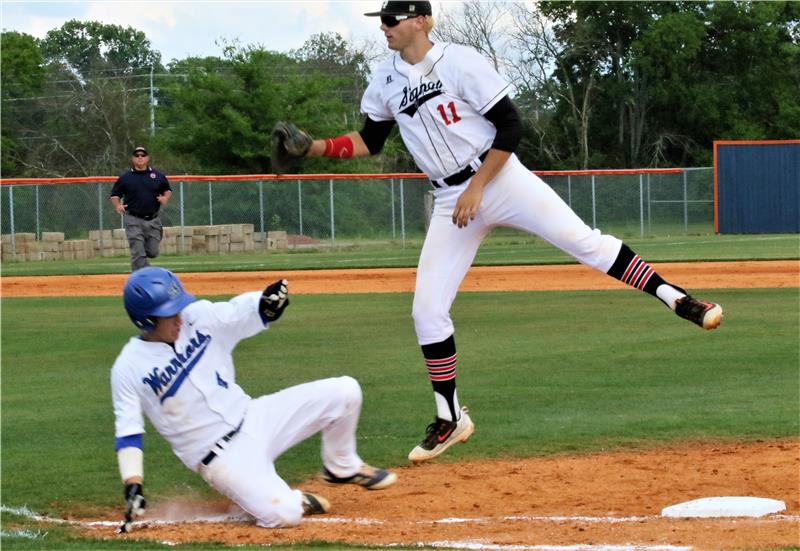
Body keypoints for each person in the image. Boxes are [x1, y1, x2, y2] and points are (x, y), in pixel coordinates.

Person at [274, 0, 723, 464]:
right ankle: (450, 418)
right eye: (382, 20)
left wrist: (478, 187)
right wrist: (313, 148)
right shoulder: (385, 78)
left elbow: (510, 127)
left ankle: (679, 300)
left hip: (501, 179)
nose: (384, 27)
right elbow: (370, 140)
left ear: (420, 21)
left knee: (584, 242)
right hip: (450, 199)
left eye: (392, 19)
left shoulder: (459, 61)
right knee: (426, 311)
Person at [111, 267, 397, 531]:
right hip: (222, 458)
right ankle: (284, 497)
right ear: (146, 320)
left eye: (178, 307)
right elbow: (128, 432)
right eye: (169, 313)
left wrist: (265, 304)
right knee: (286, 514)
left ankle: (341, 466)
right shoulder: (129, 367)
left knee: (345, 391)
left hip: (256, 417)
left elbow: (237, 313)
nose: (179, 317)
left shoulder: (198, 317)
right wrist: (133, 485)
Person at [110, 146, 172, 271]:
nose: (140, 157)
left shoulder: (157, 175)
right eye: (137, 155)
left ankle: (144, 267)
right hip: (133, 218)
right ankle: (141, 276)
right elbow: (115, 195)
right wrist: (118, 205)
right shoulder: (126, 177)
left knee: (153, 252)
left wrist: (165, 198)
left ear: (147, 158)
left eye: (143, 155)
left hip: (153, 220)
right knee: (138, 250)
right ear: (132, 158)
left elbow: (167, 189)